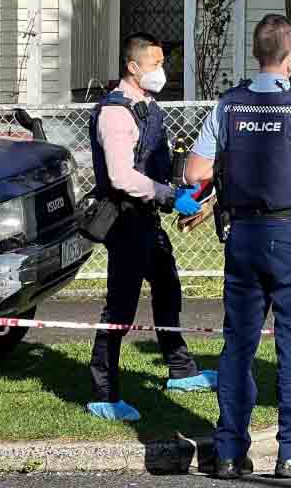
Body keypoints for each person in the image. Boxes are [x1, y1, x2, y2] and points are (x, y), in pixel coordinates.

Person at [185, 14, 291, 480]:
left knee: (238, 344)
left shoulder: (228, 107)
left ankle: (229, 451)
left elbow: (195, 171)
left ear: (256, 53)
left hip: (243, 235)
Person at [87, 33, 217, 422]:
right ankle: (104, 393)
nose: (162, 71)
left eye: (162, 63)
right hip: (125, 220)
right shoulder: (115, 114)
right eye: (155, 64)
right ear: (133, 66)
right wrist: (168, 196)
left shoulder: (147, 106)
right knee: (120, 307)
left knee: (167, 287)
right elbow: (121, 176)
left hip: (147, 217)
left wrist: (183, 189)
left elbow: (154, 161)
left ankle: (180, 370)